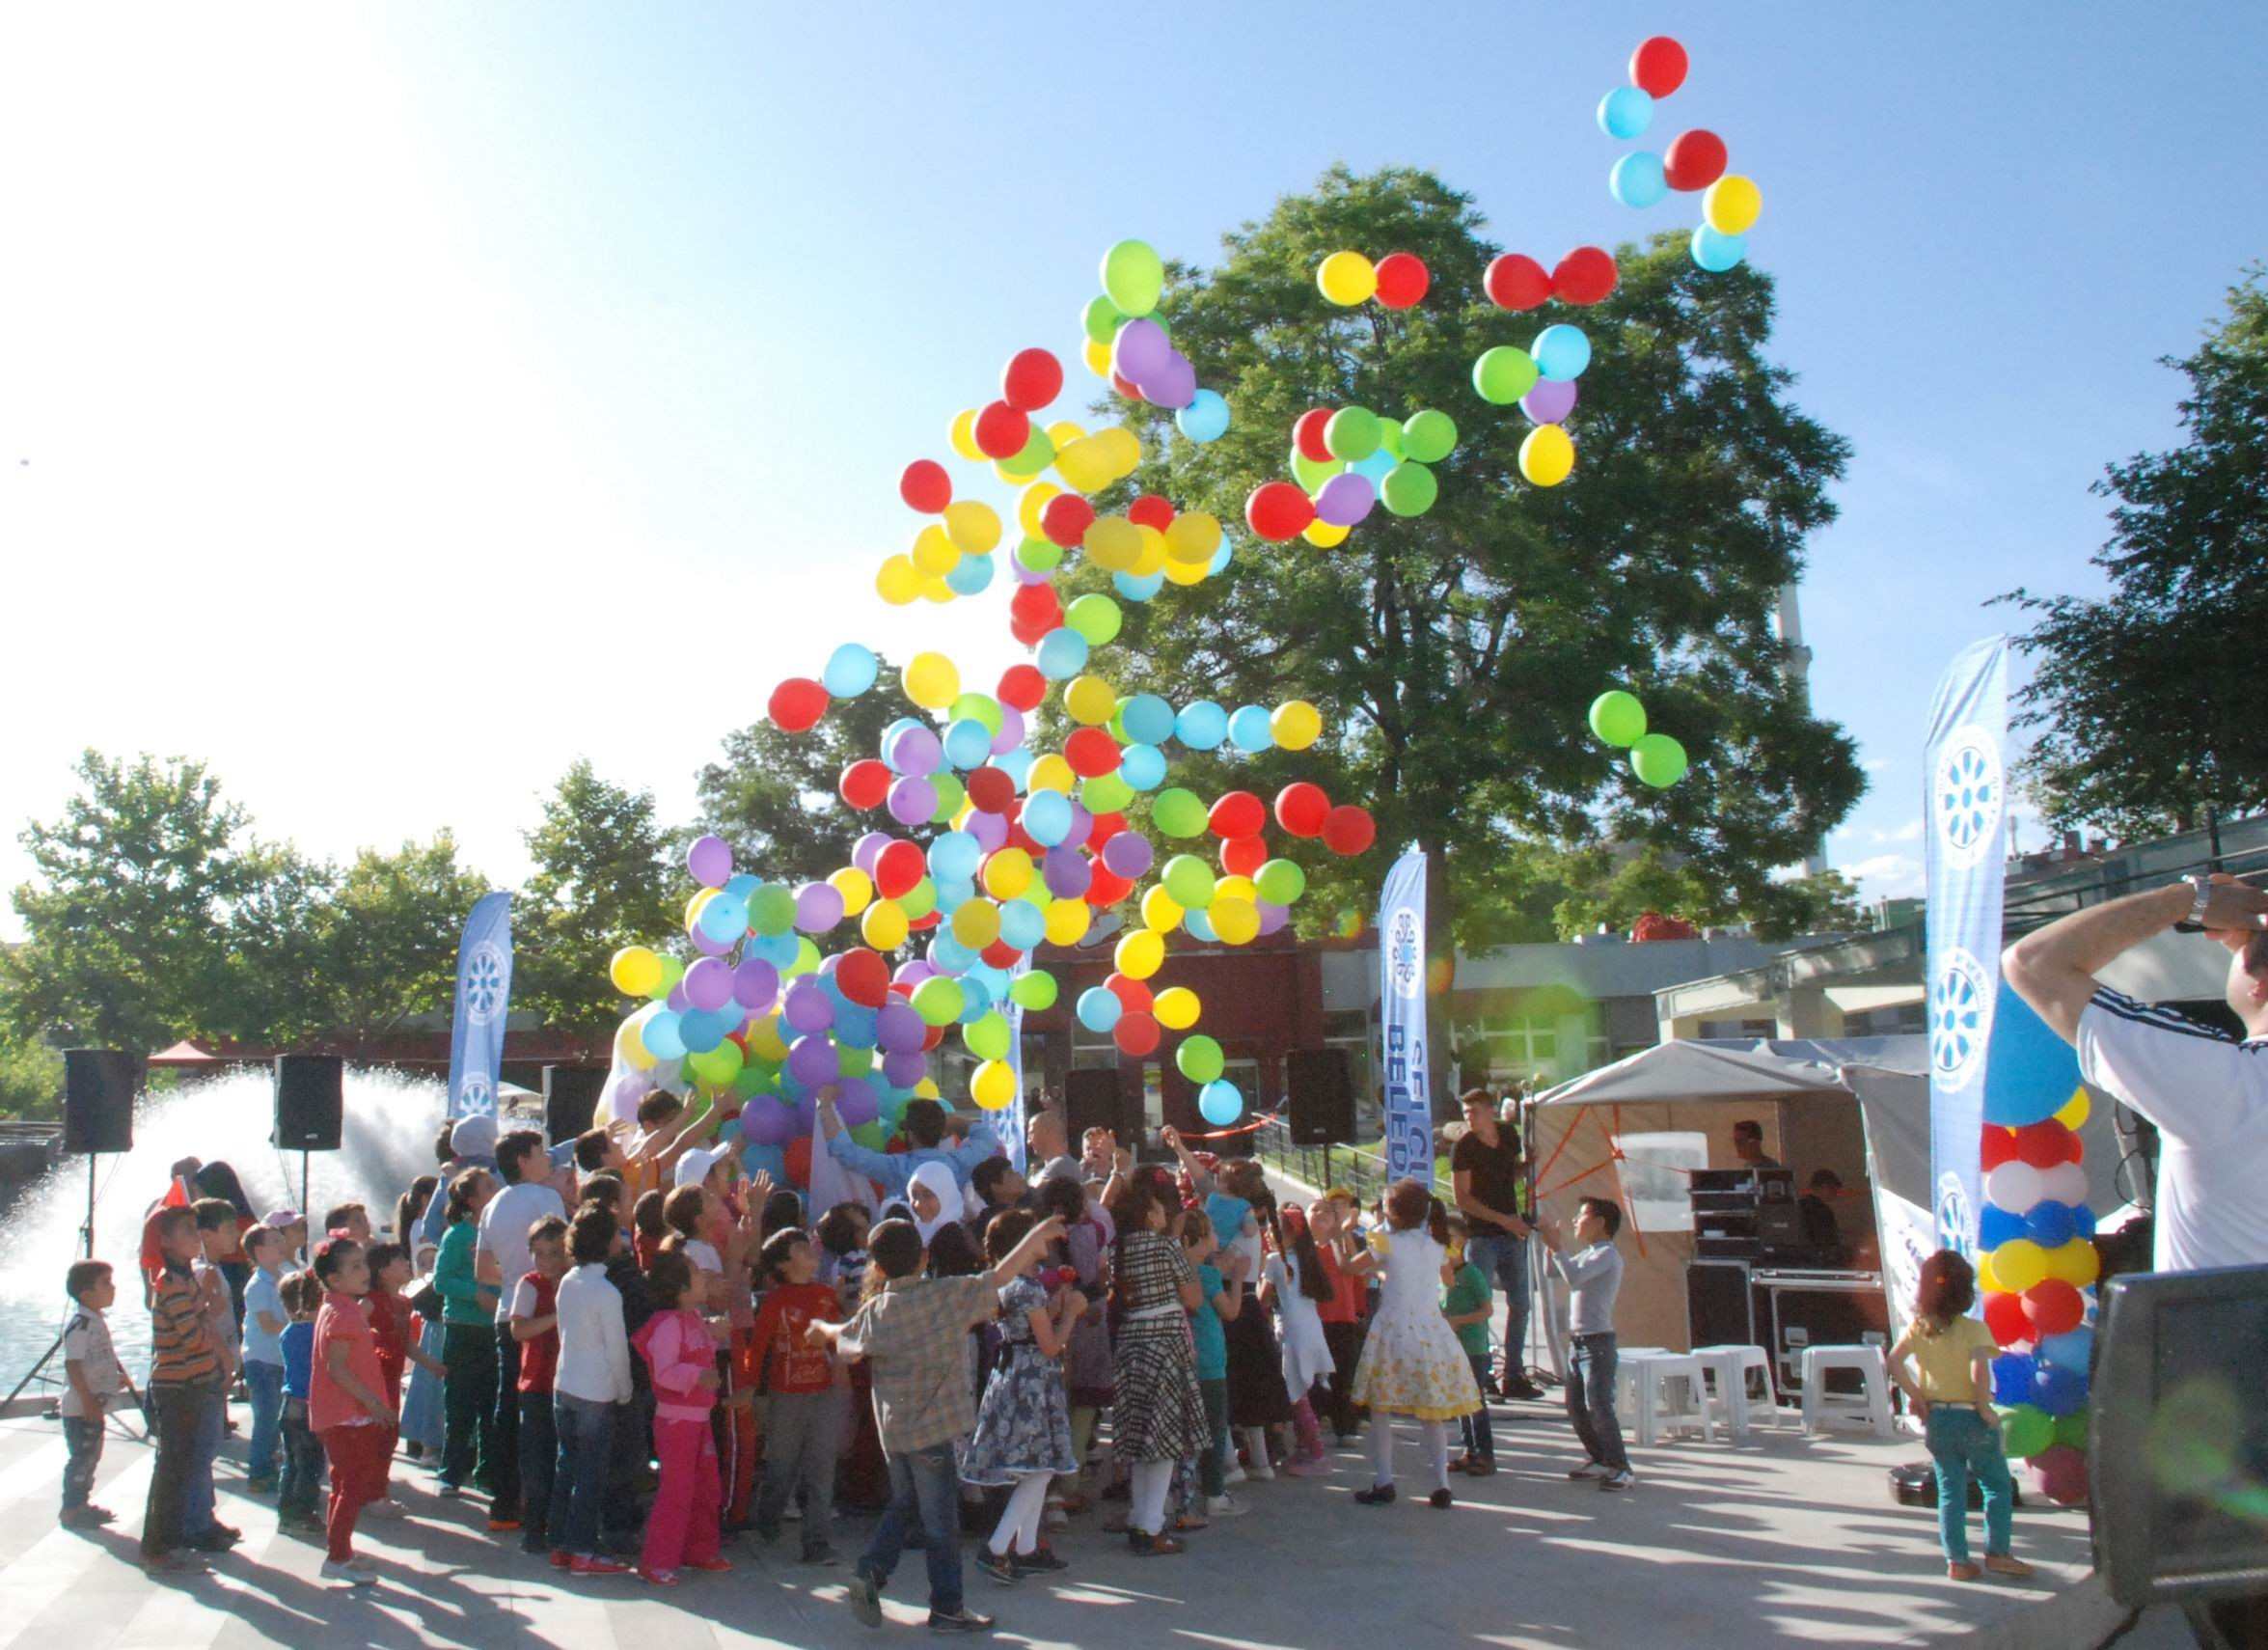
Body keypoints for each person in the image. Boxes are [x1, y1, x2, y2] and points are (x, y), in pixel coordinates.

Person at [807, 1211, 1068, 1635]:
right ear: (923, 1256)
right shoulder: (944, 1296)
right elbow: (999, 1276)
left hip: (894, 1433)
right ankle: (947, 1606)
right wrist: (1035, 1235)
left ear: (877, 1266)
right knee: (941, 1525)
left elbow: (846, 1342)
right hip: (933, 1433)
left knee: (905, 1503)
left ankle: (871, 1571)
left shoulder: (877, 1310)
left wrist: (823, 1328)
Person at [2002, 871, 2268, 1272]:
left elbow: (2034, 964)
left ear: (2260, 986)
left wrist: (2191, 901)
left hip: (2223, 1333)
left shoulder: (2228, 1084)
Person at [1885, 1250, 2036, 1582]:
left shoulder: (1918, 1330)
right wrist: (1985, 1408)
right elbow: (1979, 1369)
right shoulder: (1973, 1329)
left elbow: (1893, 1362)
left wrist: (1917, 1396)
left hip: (1937, 1418)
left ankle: (1957, 1560)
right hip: (1971, 1417)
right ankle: (1998, 1553)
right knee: (1995, 1485)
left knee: (1949, 1489)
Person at [962, 1208, 1085, 1582]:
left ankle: (1027, 1548)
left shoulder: (1013, 1284)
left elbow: (1026, 1327)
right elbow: (1049, 1346)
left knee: (1038, 1467)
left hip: (1015, 1374)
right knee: (1039, 1468)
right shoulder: (1028, 1287)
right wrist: (1072, 1315)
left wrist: (1054, 1308)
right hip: (1032, 1380)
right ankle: (998, 1547)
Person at [1349, 1182, 1482, 1510]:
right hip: (1430, 1329)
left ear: (1392, 1211)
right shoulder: (1438, 1243)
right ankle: (1442, 1484)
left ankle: (1384, 1481)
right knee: (1431, 1411)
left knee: (1381, 1409)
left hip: (1393, 1329)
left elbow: (1350, 1267)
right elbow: (1448, 1279)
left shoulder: (1384, 1240)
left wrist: (1351, 1239)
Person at [1103, 1175, 1209, 1557]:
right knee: (1163, 1439)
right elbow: (1193, 1299)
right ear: (1149, 1213)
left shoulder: (1120, 1250)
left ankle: (1139, 1515)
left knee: (1140, 1434)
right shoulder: (1167, 1248)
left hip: (1132, 1342)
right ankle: (1150, 1527)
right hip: (1166, 1341)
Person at [475, 1129, 566, 1532]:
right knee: (544, 1409)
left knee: (507, 1409)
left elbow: (482, 1271)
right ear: (523, 1160)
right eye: (541, 1152)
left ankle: (504, 1501)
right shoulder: (547, 1199)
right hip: (546, 1312)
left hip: (506, 1310)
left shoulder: (492, 1205)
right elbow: (564, 1253)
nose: (547, 1158)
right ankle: (543, 1502)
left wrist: (513, 1276)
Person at [750, 1226, 848, 1564]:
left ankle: (817, 1543)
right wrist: (751, 1390)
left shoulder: (825, 1294)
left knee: (822, 1469)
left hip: (823, 1393)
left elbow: (837, 1342)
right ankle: (768, 1516)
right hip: (786, 1395)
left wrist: (841, 1376)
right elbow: (759, 1347)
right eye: (800, 1249)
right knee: (781, 1467)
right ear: (783, 1264)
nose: (810, 1253)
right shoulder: (776, 1301)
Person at [632, 1248, 724, 1585]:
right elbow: (664, 1372)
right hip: (677, 1422)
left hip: (699, 1418)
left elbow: (698, 1352)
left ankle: (698, 1551)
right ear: (682, 1289)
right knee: (677, 1491)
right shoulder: (669, 1324)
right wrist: (697, 1376)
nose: (704, 1276)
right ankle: (656, 1560)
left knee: (706, 1486)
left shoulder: (693, 1318)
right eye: (697, 1273)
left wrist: (713, 1335)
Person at [141, 1204, 226, 1573]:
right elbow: (191, 1338)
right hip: (178, 1386)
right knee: (173, 1469)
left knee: (184, 1464)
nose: (197, 1237)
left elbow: (200, 1324)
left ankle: (171, 1540)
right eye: (188, 1231)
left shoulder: (185, 1277)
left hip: (195, 1381)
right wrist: (205, 1309)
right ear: (166, 1241)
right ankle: (157, 1546)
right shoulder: (171, 1283)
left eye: (197, 1229)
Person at [555, 1206, 636, 1578]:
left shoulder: (568, 1282)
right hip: (596, 1391)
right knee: (591, 1475)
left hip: (566, 1384)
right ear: (606, 1241)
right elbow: (616, 1349)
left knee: (567, 1467)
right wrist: (625, 1390)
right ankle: (584, 1549)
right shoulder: (606, 1292)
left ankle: (562, 1543)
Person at [1450, 1089, 1544, 1400]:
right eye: (1465, 1112)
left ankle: (1513, 1373)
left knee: (1521, 1304)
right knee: (1481, 1303)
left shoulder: (1506, 1135)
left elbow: (1508, 1175)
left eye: (1474, 1111)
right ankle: (1483, 1371)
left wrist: (1527, 1165)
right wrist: (1504, 1221)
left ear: (1491, 1111)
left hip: (1510, 1231)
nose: (1469, 1117)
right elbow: (1462, 1198)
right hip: (1482, 1233)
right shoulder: (1465, 1147)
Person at [311, 1237, 393, 1586]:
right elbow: (338, 1368)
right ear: (334, 1279)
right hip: (347, 1415)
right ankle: (337, 1556)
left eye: (364, 1264)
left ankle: (339, 1548)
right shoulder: (343, 1313)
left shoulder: (341, 1307)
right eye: (355, 1266)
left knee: (344, 1481)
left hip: (342, 1413)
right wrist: (374, 1404)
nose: (365, 1271)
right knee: (354, 1483)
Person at [1540, 1196, 1633, 1492]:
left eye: (1581, 1216)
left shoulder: (1606, 1254)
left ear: (1600, 1222)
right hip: (1578, 1342)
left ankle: (1621, 1466)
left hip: (1598, 1343)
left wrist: (1557, 1247)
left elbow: (1574, 1278)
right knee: (1576, 1406)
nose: (1575, 1222)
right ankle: (1600, 1458)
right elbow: (1552, 1272)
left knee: (1599, 1405)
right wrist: (1549, 1245)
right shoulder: (1589, 1252)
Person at [433, 1166, 500, 1499]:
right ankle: (450, 1472)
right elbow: (441, 1280)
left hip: (494, 1329)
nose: (495, 1188)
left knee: (492, 1405)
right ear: (472, 1200)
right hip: (463, 1328)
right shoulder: (458, 1235)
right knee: (460, 1403)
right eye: (488, 1186)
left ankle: (487, 1470)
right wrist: (475, 1294)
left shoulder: (500, 1231)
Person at [1179, 1206, 1244, 1521]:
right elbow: (1230, 1311)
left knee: (1184, 1432)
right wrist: (1239, 1279)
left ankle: (1183, 1492)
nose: (1216, 1238)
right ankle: (1214, 1493)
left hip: (1183, 1361)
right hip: (1210, 1363)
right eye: (1211, 1233)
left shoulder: (1178, 1272)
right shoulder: (1206, 1275)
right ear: (1198, 1239)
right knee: (1215, 1430)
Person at [509, 1214, 569, 1559]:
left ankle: (558, 1526)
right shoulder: (529, 1284)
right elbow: (519, 1330)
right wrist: (558, 1318)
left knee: (563, 1458)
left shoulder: (572, 1282)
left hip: (568, 1382)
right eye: (539, 1253)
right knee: (537, 1461)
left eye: (555, 1252)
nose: (546, 1261)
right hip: (535, 1384)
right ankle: (533, 1528)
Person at [820, 1090, 1003, 1202]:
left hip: (905, 1247)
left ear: (910, 1132)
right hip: (950, 1243)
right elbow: (987, 1137)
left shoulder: (895, 1167)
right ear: (942, 1132)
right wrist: (955, 1123)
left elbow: (845, 1151)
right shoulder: (960, 1162)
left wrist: (825, 1104)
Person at [1261, 1203, 1334, 1476]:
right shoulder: (1308, 1257)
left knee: (1296, 1395)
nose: (1268, 1235)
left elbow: (1263, 1298)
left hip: (1291, 1332)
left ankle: (1315, 1452)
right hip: (1312, 1329)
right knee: (1303, 1392)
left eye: (1273, 1231)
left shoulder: (1275, 1261)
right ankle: (1306, 1448)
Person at [60, 1259, 129, 1529]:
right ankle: (71, 1508)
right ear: (86, 1294)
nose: (113, 1288)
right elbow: (73, 1364)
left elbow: (97, 1359)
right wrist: (87, 1399)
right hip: (81, 1407)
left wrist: (114, 1379)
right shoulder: (81, 1325)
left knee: (92, 1456)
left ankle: (82, 1503)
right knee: (82, 1456)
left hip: (94, 1404)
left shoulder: (96, 1320)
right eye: (106, 1283)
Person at [1307, 1196, 1368, 1444]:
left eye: (1328, 1211)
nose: (1322, 1214)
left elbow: (1354, 1267)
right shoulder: (1304, 1248)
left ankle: (1346, 1426)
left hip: (1342, 1317)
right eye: (1315, 1210)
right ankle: (1317, 1418)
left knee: (1344, 1375)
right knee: (1311, 1376)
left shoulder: (1341, 1242)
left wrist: (1341, 1233)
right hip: (1313, 1318)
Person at [1439, 1216, 1497, 1475]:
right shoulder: (1445, 1275)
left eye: (1449, 1237)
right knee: (1462, 1401)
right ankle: (1469, 1450)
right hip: (1454, 1347)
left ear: (1462, 1241)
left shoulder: (1471, 1273)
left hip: (1474, 1347)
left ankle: (1486, 1454)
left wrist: (1459, 1320)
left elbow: (1487, 1310)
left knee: (1475, 1401)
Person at [396, 1175, 445, 1460]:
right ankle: (427, 1440)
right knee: (428, 1378)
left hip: (430, 1315)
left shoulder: (423, 1228)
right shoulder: (424, 1227)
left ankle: (423, 1437)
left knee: (426, 1378)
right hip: (433, 1314)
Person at [237, 1224, 288, 1493]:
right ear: (258, 1251)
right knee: (266, 1416)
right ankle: (258, 1472)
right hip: (261, 1360)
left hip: (279, 1358)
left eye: (281, 1239)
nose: (281, 1244)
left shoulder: (283, 1277)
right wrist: (297, 1327)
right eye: (274, 1241)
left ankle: (271, 1463)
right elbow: (267, 1324)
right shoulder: (258, 1285)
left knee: (277, 1416)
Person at [276, 1272, 326, 1534]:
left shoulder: (288, 1332)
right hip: (309, 1405)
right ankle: (303, 1513)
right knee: (310, 1465)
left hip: (290, 1403)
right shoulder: (313, 1334)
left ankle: (286, 1512)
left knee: (292, 1462)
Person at [1799, 1170, 1848, 1265]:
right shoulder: (1822, 1211)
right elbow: (1827, 1240)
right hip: (1819, 1261)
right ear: (1825, 1187)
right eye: (1834, 1189)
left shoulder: (1799, 1205)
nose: (1836, 1193)